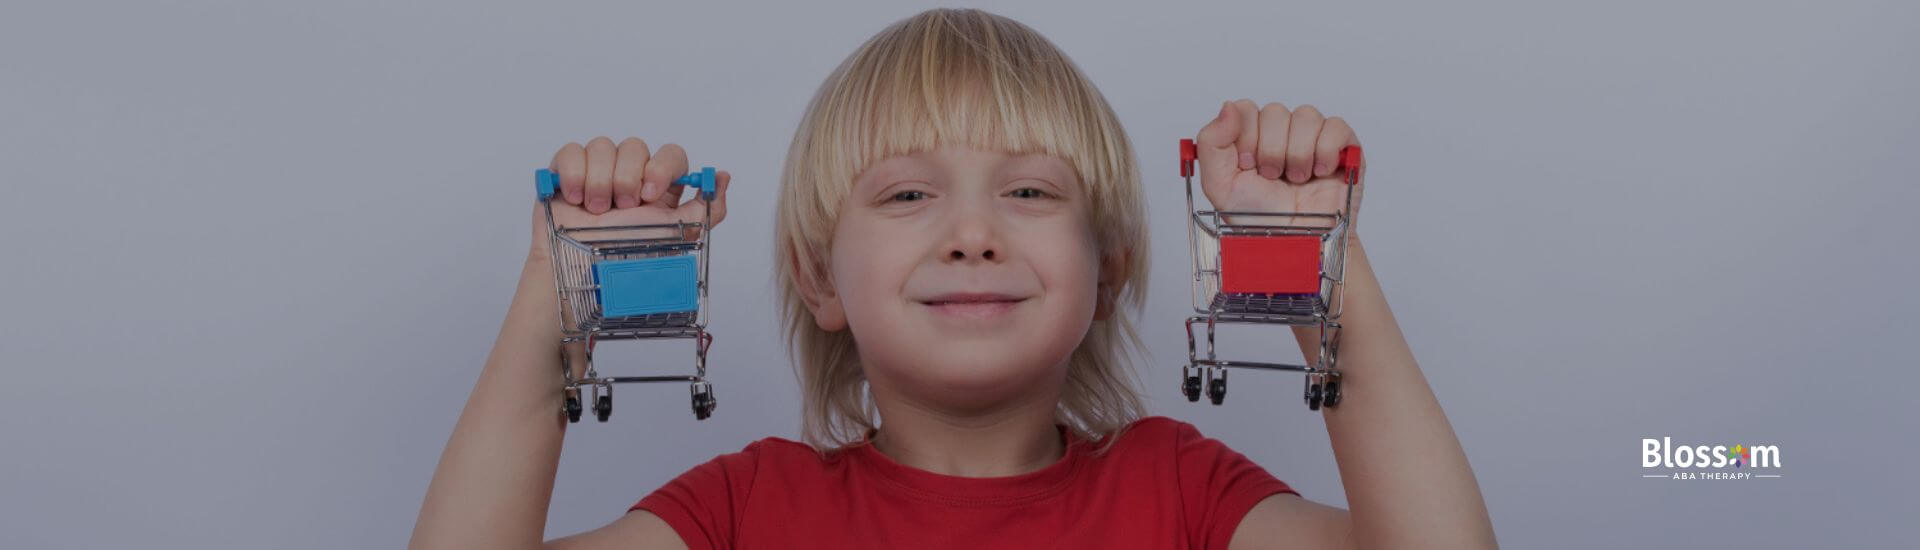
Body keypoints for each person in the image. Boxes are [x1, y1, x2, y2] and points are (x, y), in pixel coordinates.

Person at [411, 8, 1495, 550]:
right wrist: (559, 295)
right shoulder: (747, 510)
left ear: (1108, 272)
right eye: (905, 196)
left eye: (1028, 195)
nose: (973, 234)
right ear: (816, 278)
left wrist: (1313, 262)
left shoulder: (1182, 493)